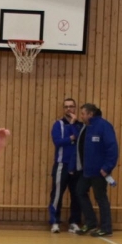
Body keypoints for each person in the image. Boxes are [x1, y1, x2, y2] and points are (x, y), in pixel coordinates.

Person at [75, 103, 119, 237]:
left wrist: (107, 167)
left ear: (90, 114)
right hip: (87, 170)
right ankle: (91, 222)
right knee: (80, 191)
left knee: (100, 197)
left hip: (100, 171)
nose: (81, 116)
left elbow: (112, 148)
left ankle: (106, 227)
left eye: (83, 114)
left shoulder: (104, 126)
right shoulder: (87, 127)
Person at [49, 97, 82, 233]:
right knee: (57, 194)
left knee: (77, 195)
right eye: (66, 107)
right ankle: (54, 222)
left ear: (75, 108)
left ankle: (74, 222)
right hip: (61, 165)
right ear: (63, 109)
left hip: (77, 166)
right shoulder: (58, 124)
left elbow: (80, 139)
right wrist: (71, 138)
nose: (69, 109)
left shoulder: (80, 125)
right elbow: (58, 142)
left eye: (71, 106)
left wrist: (73, 126)